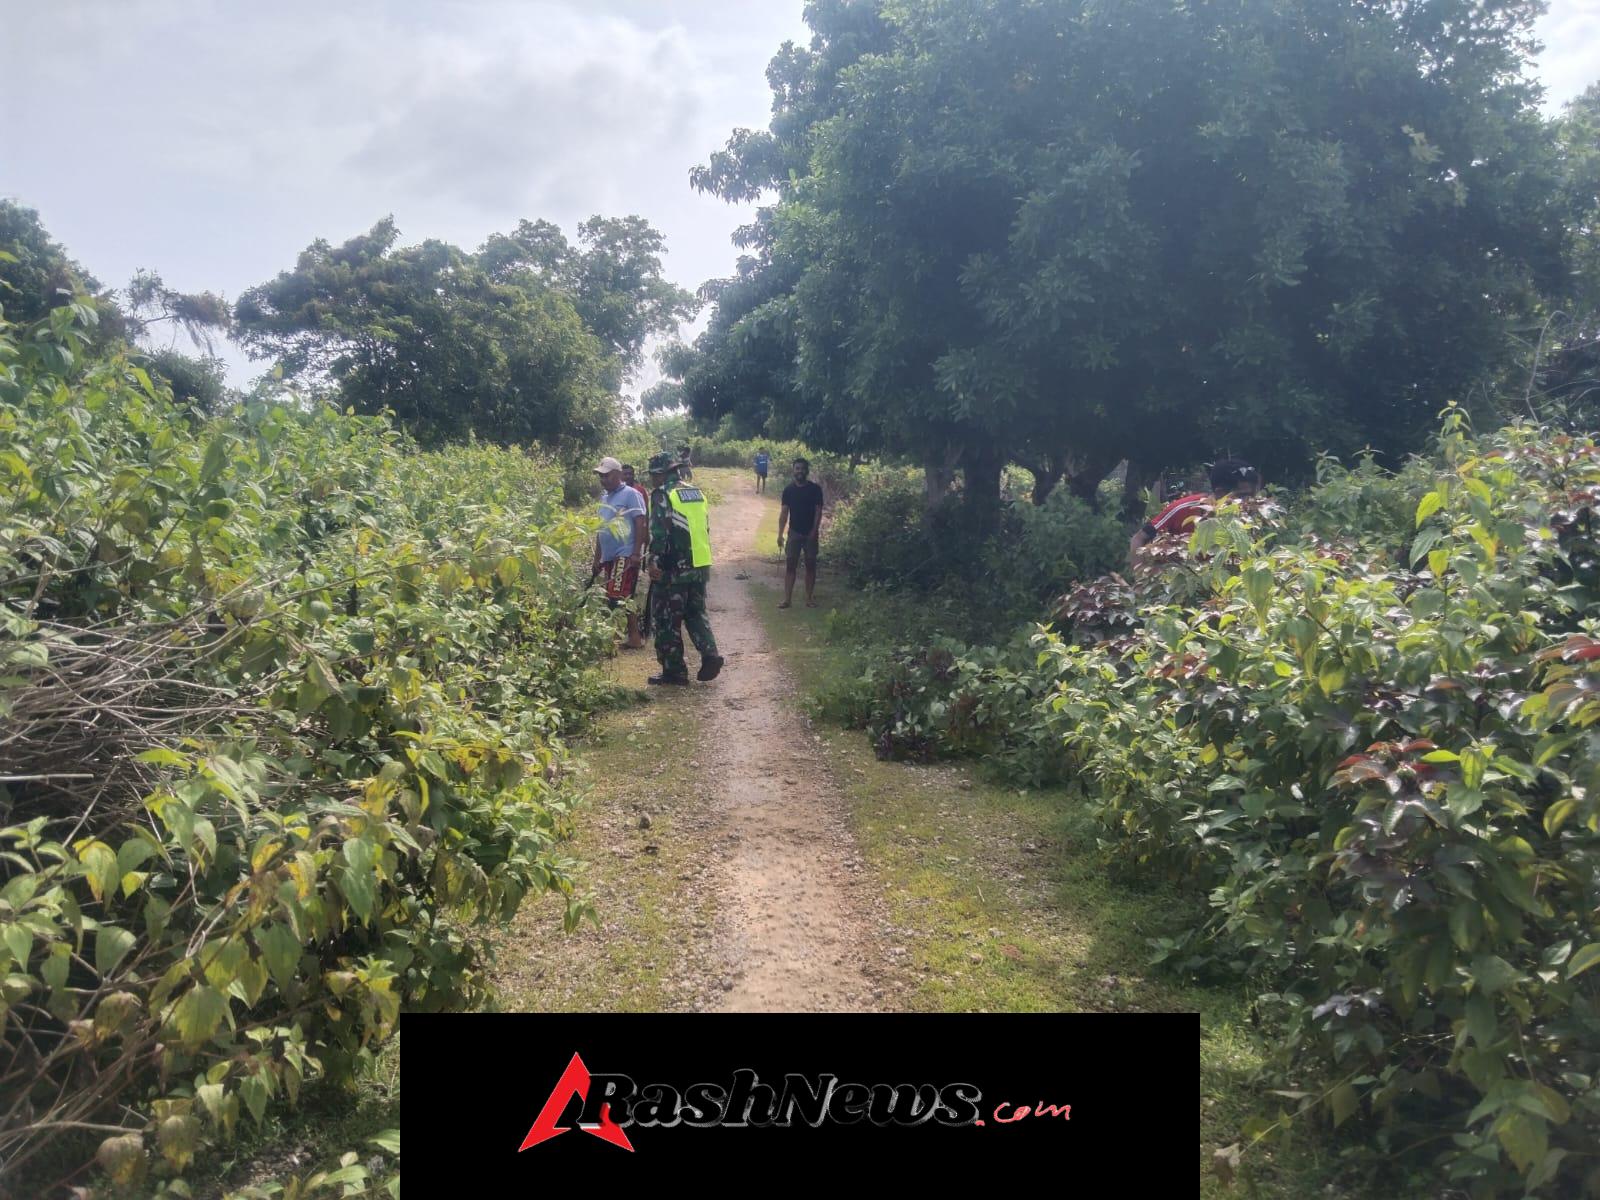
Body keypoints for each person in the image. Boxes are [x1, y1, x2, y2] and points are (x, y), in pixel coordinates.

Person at [645, 451, 723, 685]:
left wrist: (653, 560)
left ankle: (674, 671)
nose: (651, 479)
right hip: (699, 564)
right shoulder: (695, 492)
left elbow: (660, 532)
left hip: (673, 568)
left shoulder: (662, 494)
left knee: (666, 619)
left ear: (660, 473)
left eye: (652, 475)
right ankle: (710, 654)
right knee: (695, 612)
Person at [1128, 457, 1262, 561]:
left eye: (1252, 496)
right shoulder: (1184, 509)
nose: (1249, 501)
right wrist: (1140, 583)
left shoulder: (1246, 517)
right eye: (1243, 496)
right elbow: (1139, 539)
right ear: (1220, 492)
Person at [592, 457, 648, 649]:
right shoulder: (604, 499)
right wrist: (596, 558)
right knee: (616, 596)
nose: (603, 480)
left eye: (606, 476)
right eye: (601, 476)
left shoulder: (631, 494)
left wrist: (636, 553)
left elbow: (640, 523)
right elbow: (600, 530)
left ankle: (620, 637)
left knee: (619, 595)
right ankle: (632, 636)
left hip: (625, 553)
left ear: (617, 475)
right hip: (608, 556)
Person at [777, 457, 825, 609]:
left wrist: (814, 531)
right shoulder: (788, 490)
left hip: (811, 533)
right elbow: (784, 513)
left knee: (811, 566)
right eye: (797, 468)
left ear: (807, 471)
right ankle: (787, 600)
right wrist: (780, 534)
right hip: (794, 533)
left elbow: (818, 512)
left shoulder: (815, 489)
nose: (800, 471)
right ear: (793, 470)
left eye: (803, 468)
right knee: (790, 566)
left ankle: (809, 599)